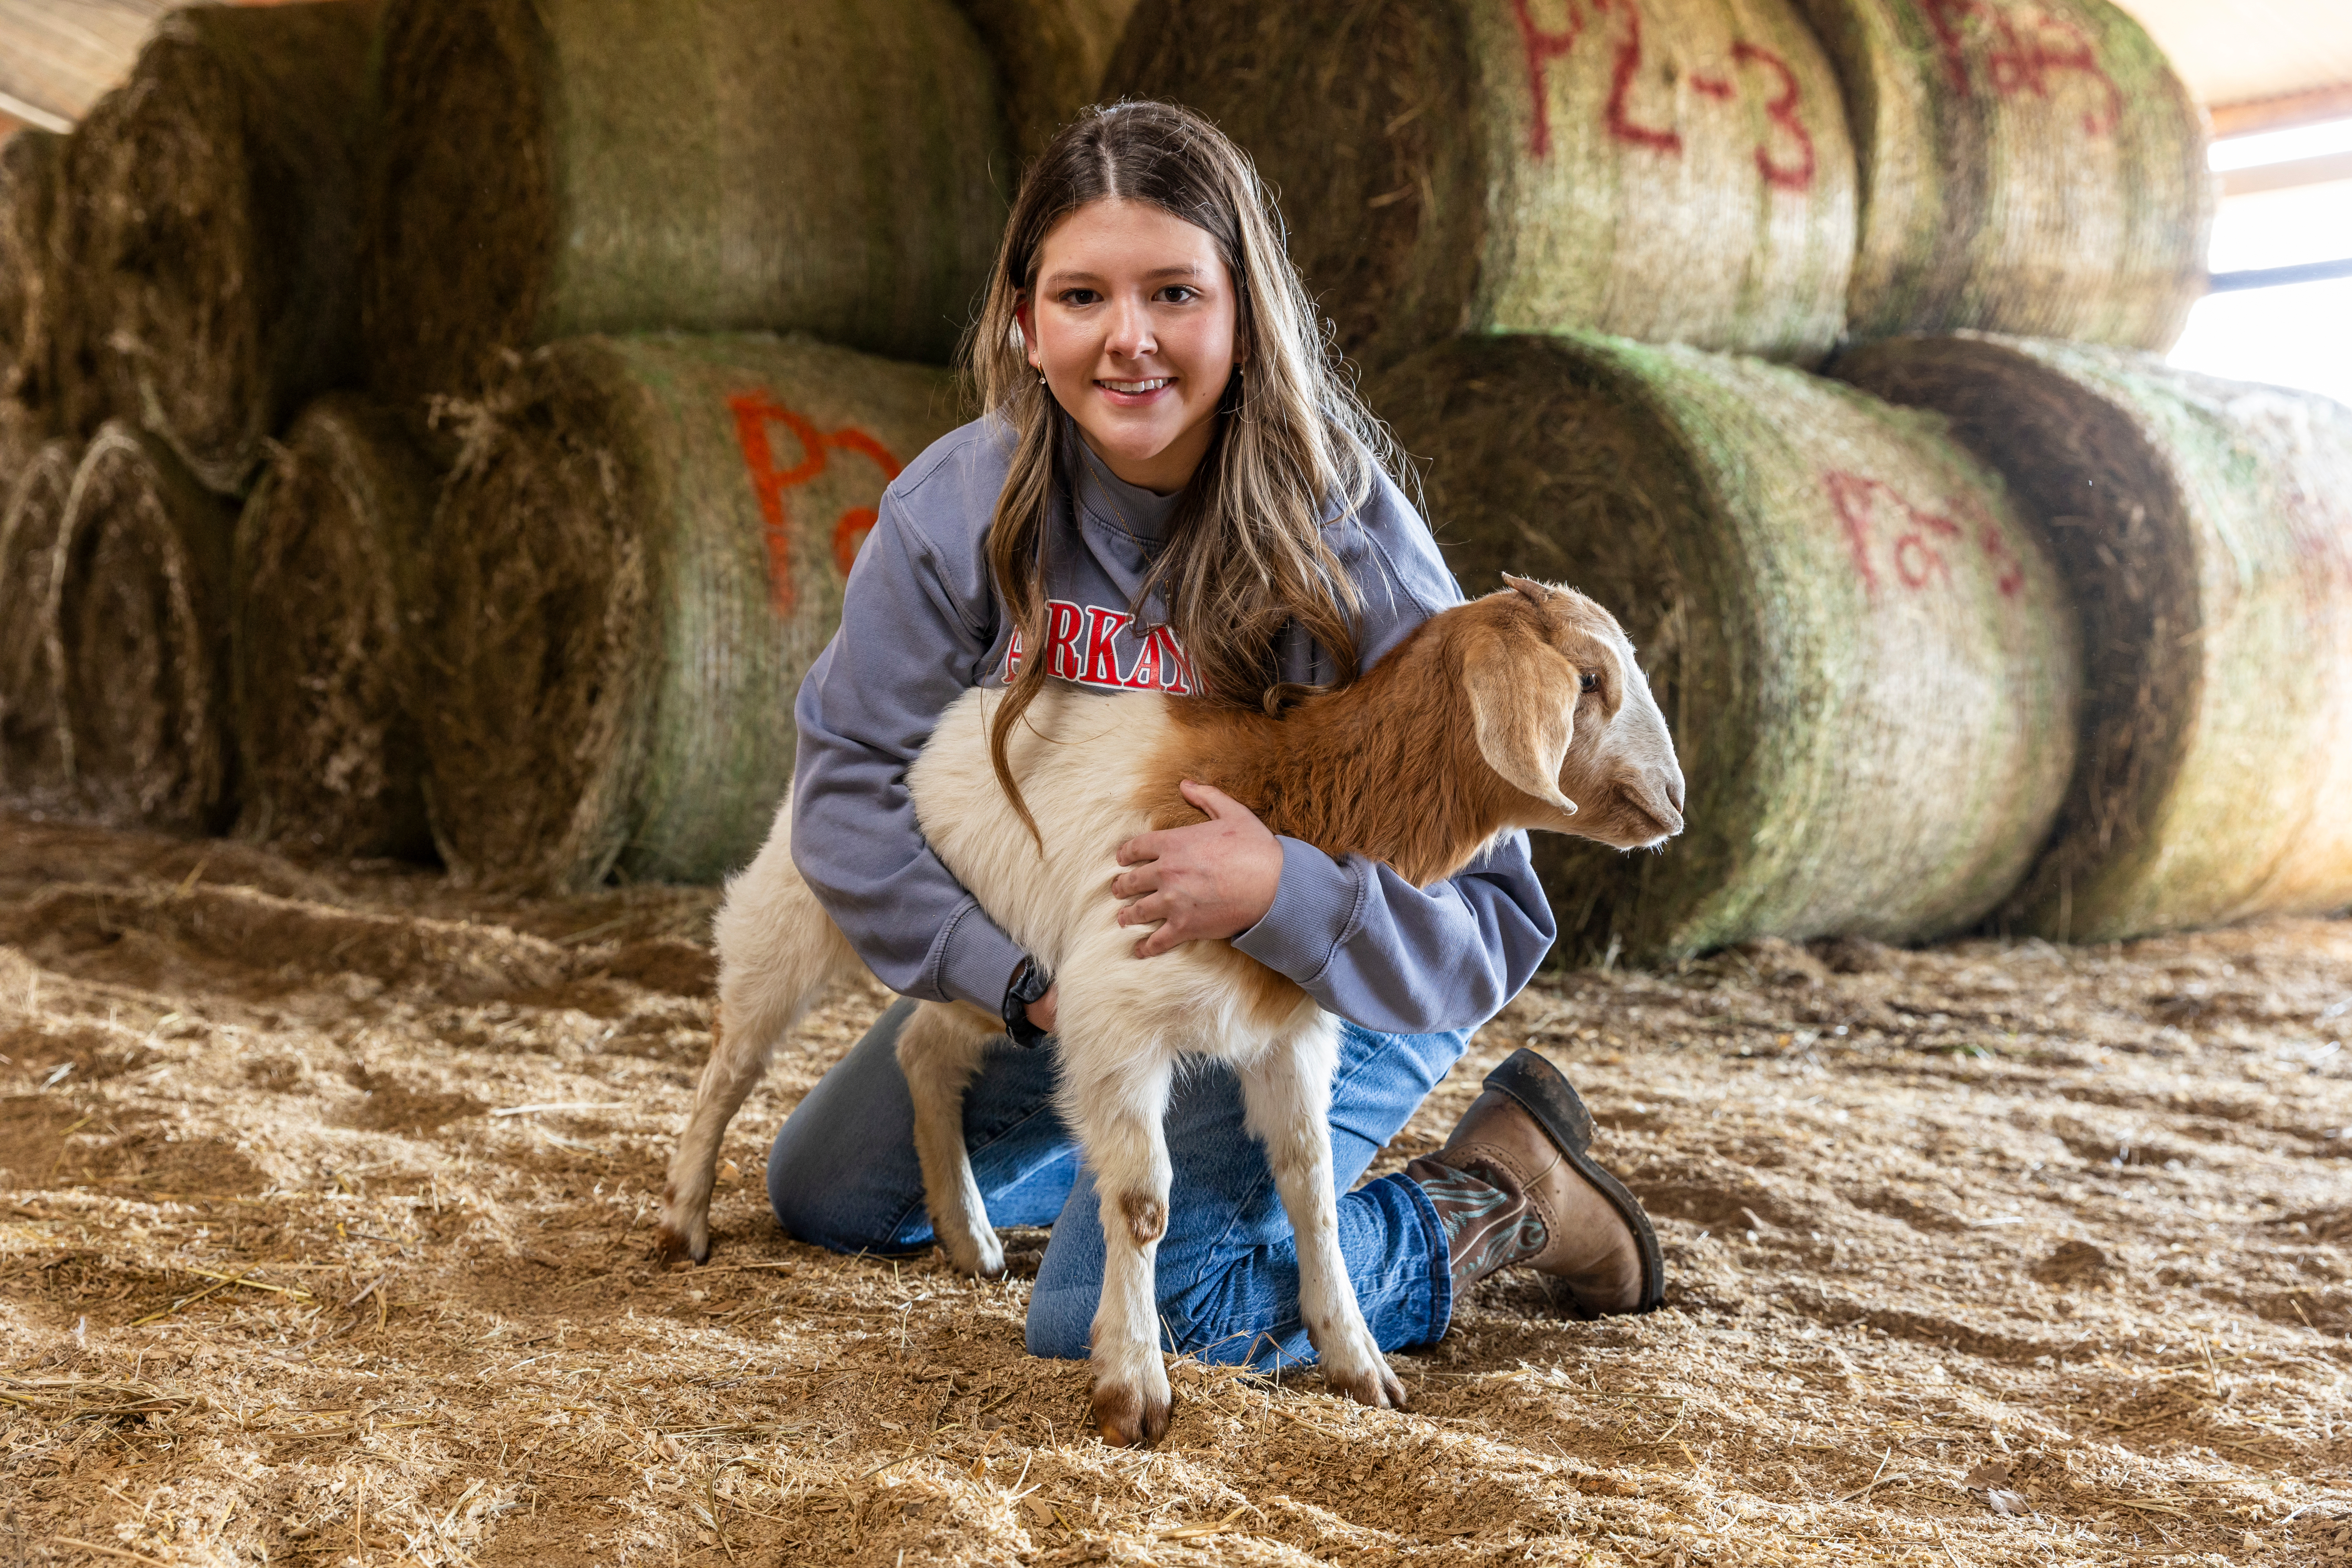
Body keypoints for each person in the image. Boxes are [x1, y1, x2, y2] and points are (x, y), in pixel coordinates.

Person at [768, 101, 1662, 1374]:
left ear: (1245, 316)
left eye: (1175, 293)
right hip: (1089, 962)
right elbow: (847, 788)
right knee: (832, 1195)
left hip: (1330, 967)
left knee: (1126, 1319)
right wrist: (1016, 984)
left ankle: (1503, 1197)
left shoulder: (1345, 537)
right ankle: (1127, 1172)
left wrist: (1280, 891)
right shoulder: (955, 508)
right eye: (1082, 296)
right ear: (1025, 322)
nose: (1128, 339)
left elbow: (1495, 919)